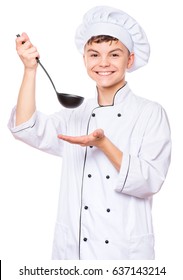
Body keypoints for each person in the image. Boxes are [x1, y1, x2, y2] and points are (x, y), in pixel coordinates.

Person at [8, 6, 171, 260]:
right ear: (84, 59)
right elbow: (26, 127)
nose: (103, 63)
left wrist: (104, 144)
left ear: (129, 60)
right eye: (94, 54)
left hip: (124, 255)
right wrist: (30, 70)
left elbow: (150, 181)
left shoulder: (150, 113)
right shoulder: (76, 114)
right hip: (73, 252)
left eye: (114, 55)